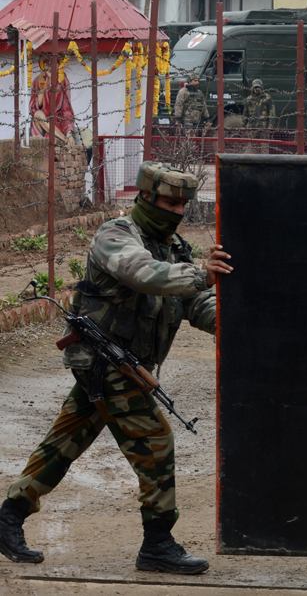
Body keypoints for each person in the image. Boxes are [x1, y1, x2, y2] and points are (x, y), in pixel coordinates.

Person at [0, 161, 233, 575]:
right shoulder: (116, 234)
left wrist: (236, 325)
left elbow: (194, 304)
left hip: (125, 365)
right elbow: (143, 274)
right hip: (103, 363)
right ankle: (158, 543)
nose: (177, 211)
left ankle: (8, 517)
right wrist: (200, 274)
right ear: (145, 197)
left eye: (183, 204)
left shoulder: (173, 247)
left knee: (65, 442)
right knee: (155, 440)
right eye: (168, 201)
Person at [30, 60, 75, 145]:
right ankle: (64, 140)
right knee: (38, 114)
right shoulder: (38, 80)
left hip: (58, 122)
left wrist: (69, 132)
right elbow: (34, 109)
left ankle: (63, 138)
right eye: (47, 64)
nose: (50, 67)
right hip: (41, 124)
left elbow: (67, 110)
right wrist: (41, 91)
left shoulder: (63, 81)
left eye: (54, 63)